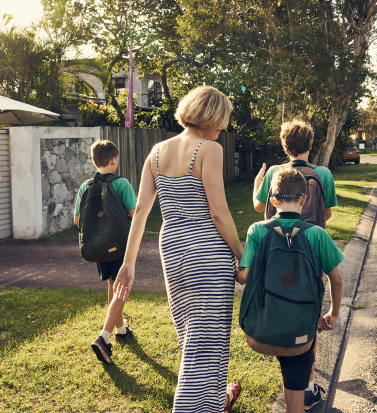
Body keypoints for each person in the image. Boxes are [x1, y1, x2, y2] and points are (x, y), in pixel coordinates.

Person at [112, 86, 245, 412]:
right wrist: (243, 256)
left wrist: (128, 264)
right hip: (207, 252)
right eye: (222, 120)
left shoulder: (156, 152)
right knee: (208, 342)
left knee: (192, 337)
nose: (223, 128)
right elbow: (219, 212)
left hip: (172, 252)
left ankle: (215, 403)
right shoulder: (209, 149)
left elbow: (141, 211)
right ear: (209, 116)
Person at [239, 166, 344, 412]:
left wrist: (236, 265)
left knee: (284, 358)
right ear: (303, 200)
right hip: (300, 332)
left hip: (262, 329)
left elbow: (244, 277)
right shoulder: (316, 234)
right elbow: (336, 279)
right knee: (296, 377)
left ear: (273, 200)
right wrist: (333, 314)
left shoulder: (257, 230)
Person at [74, 140, 137, 364]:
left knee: (112, 284)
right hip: (119, 245)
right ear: (114, 160)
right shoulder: (121, 184)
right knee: (122, 285)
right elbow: (134, 214)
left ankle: (121, 330)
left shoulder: (85, 186)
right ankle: (104, 337)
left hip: (97, 247)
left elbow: (77, 219)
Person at [252, 120, 338, 225]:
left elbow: (258, 207)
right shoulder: (324, 173)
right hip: (310, 238)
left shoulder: (274, 172)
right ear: (310, 146)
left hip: (279, 237)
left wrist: (257, 181)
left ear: (285, 149)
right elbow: (326, 214)